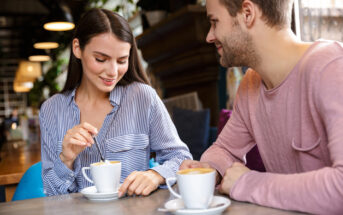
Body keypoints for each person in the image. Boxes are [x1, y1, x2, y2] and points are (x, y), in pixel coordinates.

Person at [180, 0, 343, 214]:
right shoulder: (251, 83)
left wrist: (247, 183)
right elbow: (225, 149)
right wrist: (210, 169)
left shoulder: (331, 68)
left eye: (215, 21)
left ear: (247, 13)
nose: (209, 36)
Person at [40, 8, 192, 197]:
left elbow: (181, 158)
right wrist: (66, 159)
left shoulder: (143, 97)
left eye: (122, 60)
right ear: (77, 48)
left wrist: (156, 175)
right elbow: (51, 194)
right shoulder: (51, 111)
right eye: (101, 59)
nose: (113, 71)